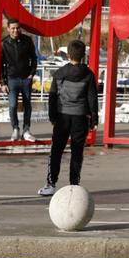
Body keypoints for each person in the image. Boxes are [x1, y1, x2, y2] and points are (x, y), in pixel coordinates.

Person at [38, 40, 99, 196]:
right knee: (77, 152)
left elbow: (52, 96)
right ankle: (74, 184)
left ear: (68, 55)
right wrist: (94, 119)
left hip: (62, 117)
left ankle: (51, 184)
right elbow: (92, 98)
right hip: (80, 118)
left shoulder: (59, 74)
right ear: (83, 55)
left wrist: (52, 116)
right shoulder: (89, 75)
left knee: (56, 151)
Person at [0, 19, 39, 142]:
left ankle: (26, 130)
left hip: (26, 79)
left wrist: (32, 74)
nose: (16, 30)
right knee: (12, 105)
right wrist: (3, 83)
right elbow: (1, 65)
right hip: (11, 79)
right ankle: (15, 129)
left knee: (28, 106)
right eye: (13, 28)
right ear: (8, 29)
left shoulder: (27, 40)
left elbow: (34, 58)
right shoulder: (3, 43)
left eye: (17, 28)